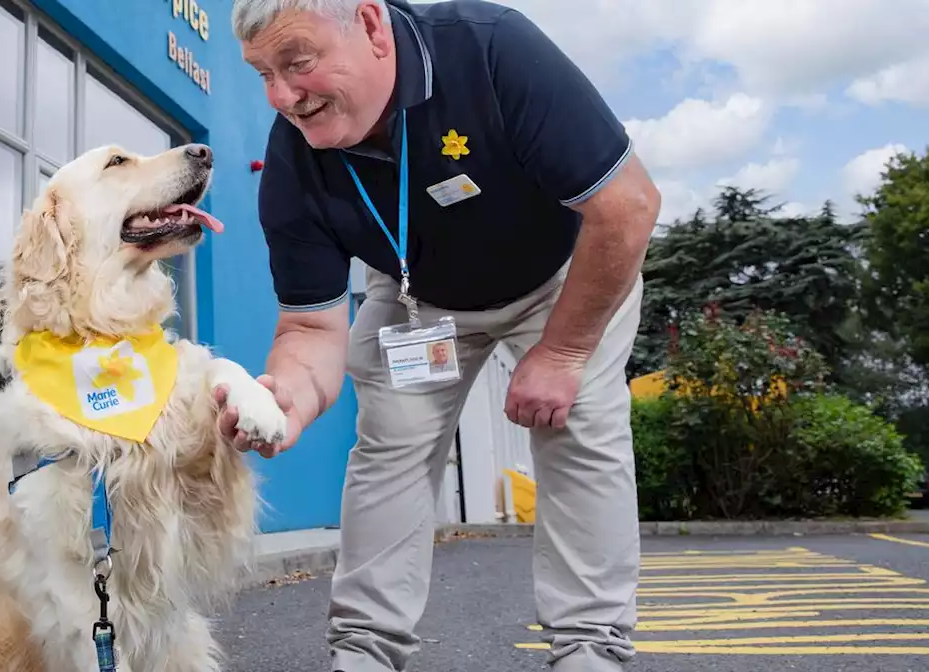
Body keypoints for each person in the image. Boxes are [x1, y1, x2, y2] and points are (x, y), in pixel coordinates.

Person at [215, 0, 661, 670]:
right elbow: (310, 326)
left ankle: (590, 647)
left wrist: (563, 353)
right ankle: (365, 649)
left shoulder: (489, 48)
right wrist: (290, 400)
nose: (282, 97)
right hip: (418, 296)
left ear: (368, 25)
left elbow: (627, 206)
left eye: (297, 64)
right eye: (263, 75)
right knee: (389, 447)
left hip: (565, 275)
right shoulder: (295, 161)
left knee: (580, 430)